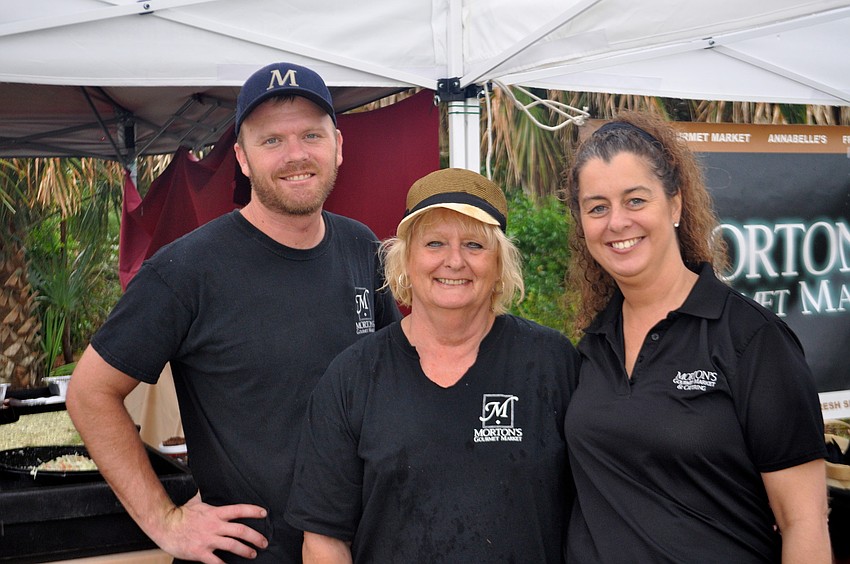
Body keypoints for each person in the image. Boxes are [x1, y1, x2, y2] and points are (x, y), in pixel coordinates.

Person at [66, 62, 400, 563]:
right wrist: (165, 521)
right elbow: (90, 392)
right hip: (249, 553)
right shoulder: (186, 270)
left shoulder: (362, 246)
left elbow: (395, 380)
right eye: (272, 141)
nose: (295, 155)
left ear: (337, 145)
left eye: (311, 135)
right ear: (242, 158)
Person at [562, 111, 831, 563]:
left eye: (635, 200)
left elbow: (803, 521)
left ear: (675, 205)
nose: (616, 222)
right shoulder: (592, 345)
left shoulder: (752, 339)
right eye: (597, 207)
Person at [284, 168, 580, 563]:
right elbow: (324, 541)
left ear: (499, 263)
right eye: (435, 243)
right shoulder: (353, 377)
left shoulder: (552, 363)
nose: (454, 261)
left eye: (474, 245)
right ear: (406, 259)